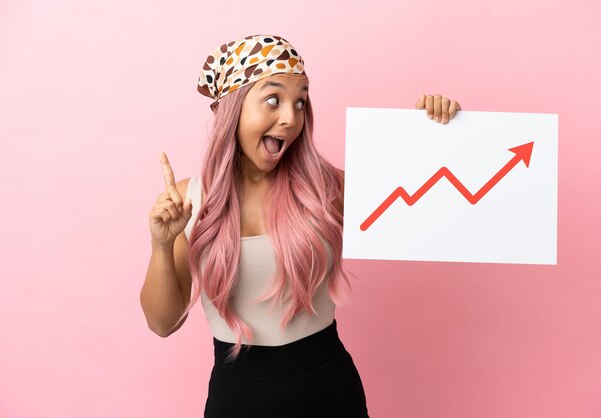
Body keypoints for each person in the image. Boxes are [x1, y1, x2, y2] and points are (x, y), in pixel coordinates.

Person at [140, 34, 461, 418]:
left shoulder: (327, 189)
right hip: (236, 399)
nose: (291, 118)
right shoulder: (188, 199)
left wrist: (438, 131)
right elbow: (162, 323)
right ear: (233, 108)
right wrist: (162, 243)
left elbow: (433, 203)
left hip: (330, 393)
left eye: (301, 102)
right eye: (273, 99)